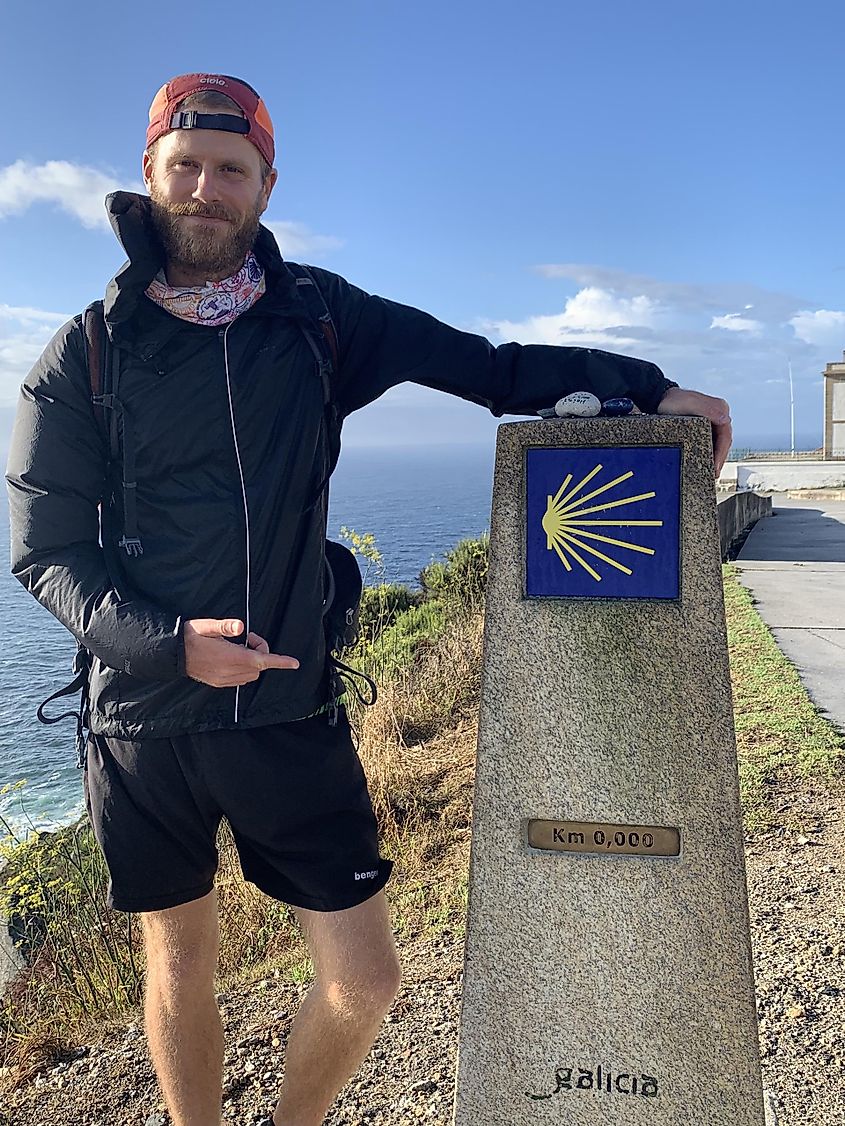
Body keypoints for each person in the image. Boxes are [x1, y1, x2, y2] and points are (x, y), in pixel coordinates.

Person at [5, 73, 732, 1126]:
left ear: (265, 186)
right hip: (141, 719)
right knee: (180, 963)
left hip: (288, 710)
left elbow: (489, 366)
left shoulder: (319, 319)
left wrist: (653, 384)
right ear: (149, 175)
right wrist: (170, 645)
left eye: (230, 170)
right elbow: (46, 552)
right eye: (185, 167)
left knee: (365, 979)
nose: (205, 188)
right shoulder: (84, 351)